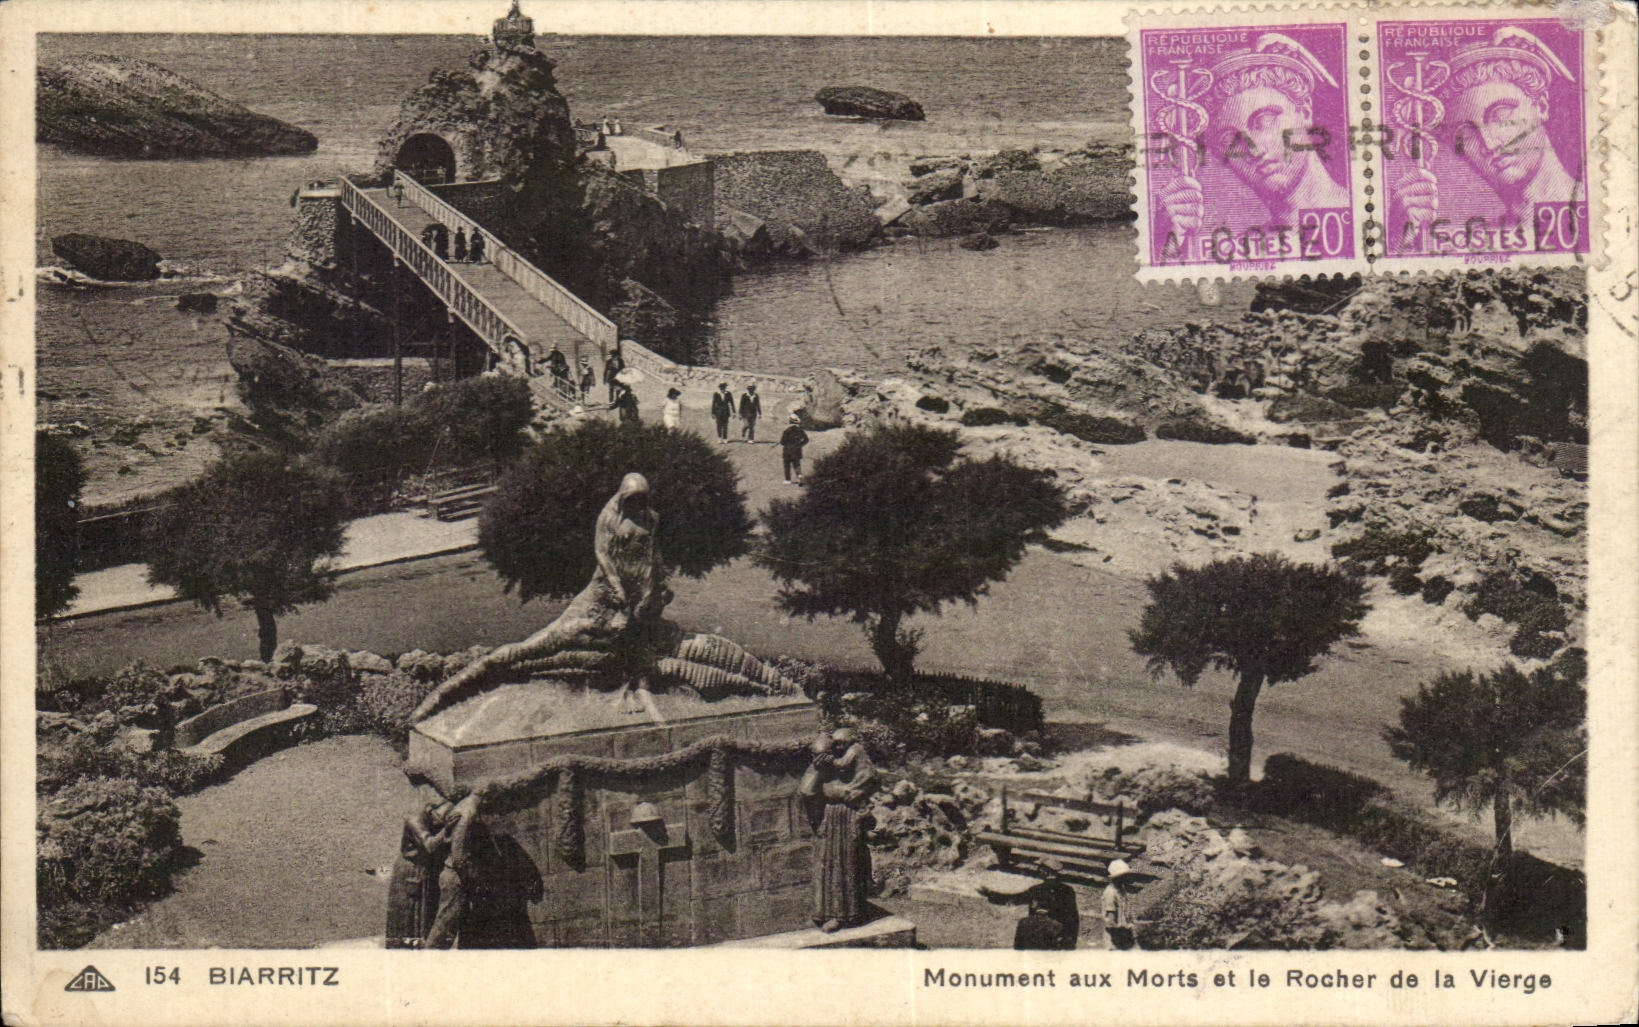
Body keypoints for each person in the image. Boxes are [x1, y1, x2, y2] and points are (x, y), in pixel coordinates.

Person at [1393, 27, 1582, 252]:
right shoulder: (1469, 243)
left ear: (1541, 105)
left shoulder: (1606, 209)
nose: (1490, 145)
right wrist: (1400, 241)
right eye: (1465, 134)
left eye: (1501, 116)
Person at [1158, 33, 1348, 253]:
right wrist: (1167, 245)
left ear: (1305, 112)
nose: (1254, 149)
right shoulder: (1238, 251)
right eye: (1230, 140)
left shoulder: (1373, 212)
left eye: (1264, 120)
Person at [800, 728, 877, 932]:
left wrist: (853, 793)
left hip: (848, 815)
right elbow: (807, 790)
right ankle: (828, 913)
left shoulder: (854, 757)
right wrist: (818, 771)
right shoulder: (820, 767)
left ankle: (849, 914)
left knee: (849, 863)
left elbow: (869, 779)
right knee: (829, 866)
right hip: (830, 817)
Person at [385, 800, 453, 948]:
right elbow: (429, 845)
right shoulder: (415, 819)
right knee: (408, 915)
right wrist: (447, 829)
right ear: (432, 810)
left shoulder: (432, 818)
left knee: (423, 918)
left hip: (424, 869)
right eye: (440, 819)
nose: (439, 824)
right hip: (411, 869)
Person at [979, 858, 1080, 950]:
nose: (1038, 871)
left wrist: (990, 894)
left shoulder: (1036, 889)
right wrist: (1070, 942)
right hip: (1058, 937)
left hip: (1036, 935)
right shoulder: (1068, 890)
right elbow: (1073, 917)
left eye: (1040, 868)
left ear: (1045, 871)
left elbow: (1014, 899)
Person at [423, 793, 481, 949]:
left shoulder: (462, 808)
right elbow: (457, 856)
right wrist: (471, 876)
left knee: (446, 927)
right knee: (443, 929)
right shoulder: (467, 811)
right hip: (454, 875)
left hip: (451, 872)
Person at [1101, 859, 1142, 950]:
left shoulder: (1120, 889)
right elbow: (1111, 921)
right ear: (1117, 877)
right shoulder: (1111, 893)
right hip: (1115, 936)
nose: (1127, 878)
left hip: (1122, 932)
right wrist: (1122, 931)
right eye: (1124, 876)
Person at [779, 412, 809, 484]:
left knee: (787, 465)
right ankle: (799, 476)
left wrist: (783, 443)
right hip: (797, 450)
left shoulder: (787, 431)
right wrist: (800, 445)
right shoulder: (800, 430)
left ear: (790, 421)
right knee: (797, 464)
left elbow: (782, 441)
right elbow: (806, 439)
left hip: (787, 450)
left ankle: (788, 480)